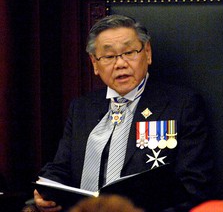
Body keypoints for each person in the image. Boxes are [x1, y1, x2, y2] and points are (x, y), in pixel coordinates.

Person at [33, 14, 213, 212]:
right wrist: (47, 190)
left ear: (147, 52)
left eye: (129, 52)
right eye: (109, 57)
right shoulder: (82, 108)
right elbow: (60, 167)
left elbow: (193, 186)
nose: (120, 64)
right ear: (94, 62)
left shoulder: (181, 105)